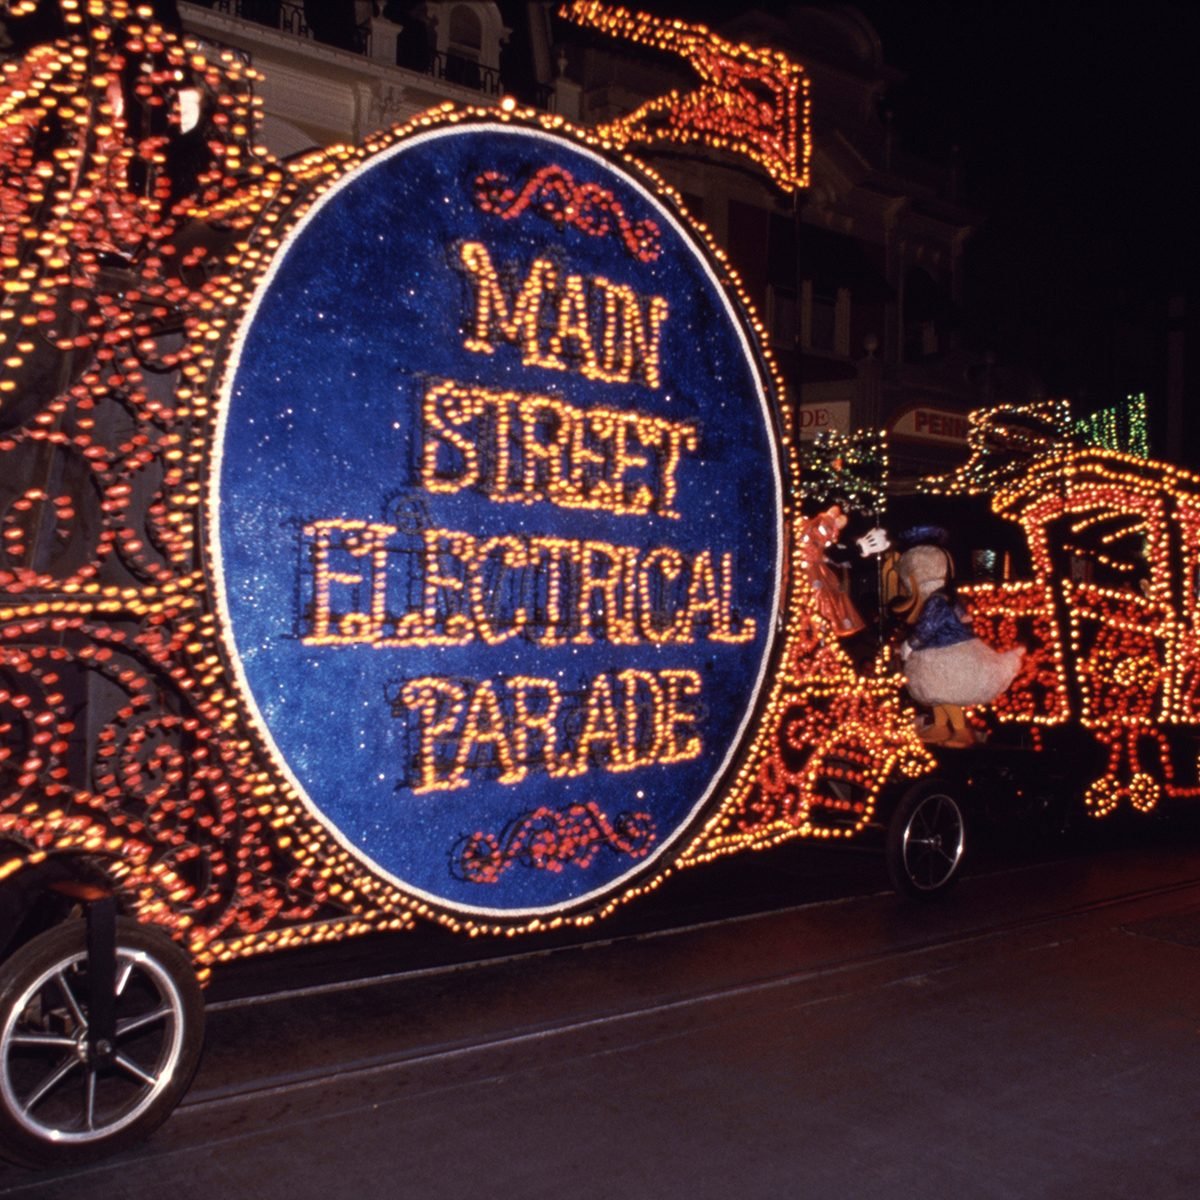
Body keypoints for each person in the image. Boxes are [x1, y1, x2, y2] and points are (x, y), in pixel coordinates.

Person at [894, 529, 1024, 747]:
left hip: (947, 653)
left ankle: (960, 730)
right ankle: (941, 726)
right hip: (939, 653)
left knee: (944, 692)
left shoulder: (936, 600)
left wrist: (910, 644)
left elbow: (928, 626)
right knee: (936, 693)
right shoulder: (946, 597)